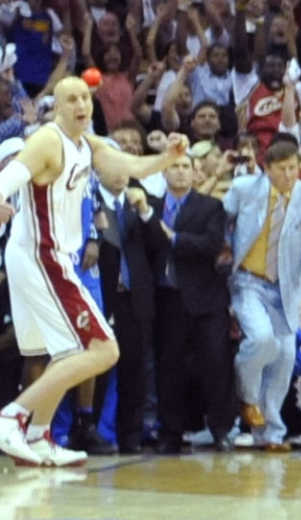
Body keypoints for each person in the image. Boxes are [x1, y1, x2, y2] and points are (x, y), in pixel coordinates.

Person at [0, 79, 182, 464]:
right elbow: (7, 179)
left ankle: (36, 436)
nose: (82, 104)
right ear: (57, 107)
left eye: (86, 97)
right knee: (103, 349)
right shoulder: (48, 141)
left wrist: (166, 159)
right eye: (72, 98)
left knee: (62, 352)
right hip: (43, 254)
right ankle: (12, 416)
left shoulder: (88, 142)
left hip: (41, 255)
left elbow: (129, 165)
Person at [221, 127, 301, 449]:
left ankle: (270, 433)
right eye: (281, 169)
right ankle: (248, 399)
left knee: (284, 357)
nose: (288, 174)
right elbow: (216, 221)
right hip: (248, 281)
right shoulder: (243, 190)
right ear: (266, 168)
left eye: (293, 167)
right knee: (262, 340)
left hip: (286, 287)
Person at [150, 145, 236, 450]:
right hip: (167, 298)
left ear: (195, 171)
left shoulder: (210, 206)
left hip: (207, 300)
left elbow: (212, 245)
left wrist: (174, 238)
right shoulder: (152, 207)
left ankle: (220, 429)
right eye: (174, 166)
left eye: (186, 166)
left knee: (215, 365)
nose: (181, 171)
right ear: (164, 172)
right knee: (169, 367)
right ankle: (170, 432)